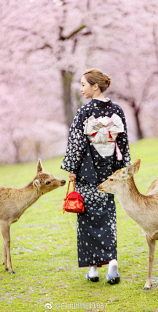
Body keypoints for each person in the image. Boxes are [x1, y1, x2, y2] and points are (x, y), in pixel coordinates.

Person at [61, 68, 131, 284]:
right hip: (109, 173)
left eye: (83, 84)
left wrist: (71, 168)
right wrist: (123, 169)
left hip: (87, 172)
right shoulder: (117, 110)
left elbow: (76, 143)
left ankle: (93, 269)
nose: (81, 89)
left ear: (95, 86)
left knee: (87, 217)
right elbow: (123, 142)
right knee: (108, 216)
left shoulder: (85, 111)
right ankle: (112, 262)